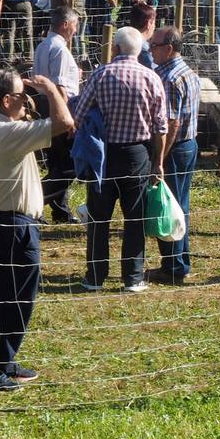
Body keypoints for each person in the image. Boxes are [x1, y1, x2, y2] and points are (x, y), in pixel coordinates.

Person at [0, 69, 74, 390]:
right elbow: (65, 123)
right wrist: (51, 90)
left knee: (3, 296)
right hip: (13, 224)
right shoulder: (5, 133)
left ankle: (3, 360)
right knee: (17, 300)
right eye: (22, 95)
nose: (28, 100)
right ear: (6, 100)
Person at [74, 26, 169, 292]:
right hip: (137, 153)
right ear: (140, 50)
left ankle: (95, 276)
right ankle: (133, 277)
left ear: (115, 48)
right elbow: (160, 127)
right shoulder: (151, 78)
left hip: (104, 155)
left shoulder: (100, 75)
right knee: (134, 218)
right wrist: (157, 161)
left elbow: (79, 115)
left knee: (99, 218)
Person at [150, 27, 201, 285]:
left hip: (174, 148)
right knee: (181, 205)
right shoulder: (189, 73)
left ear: (168, 48)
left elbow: (171, 124)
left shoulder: (168, 78)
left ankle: (173, 265)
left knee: (168, 207)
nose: (151, 50)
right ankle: (181, 260)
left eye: (155, 45)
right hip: (189, 146)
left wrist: (159, 158)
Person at [33, 7, 82, 224]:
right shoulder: (59, 49)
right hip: (59, 106)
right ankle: (34, 203)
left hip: (45, 105)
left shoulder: (44, 46)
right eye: (75, 24)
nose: (76, 29)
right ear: (65, 25)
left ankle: (60, 210)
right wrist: (68, 120)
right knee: (70, 165)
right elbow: (60, 87)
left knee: (56, 161)